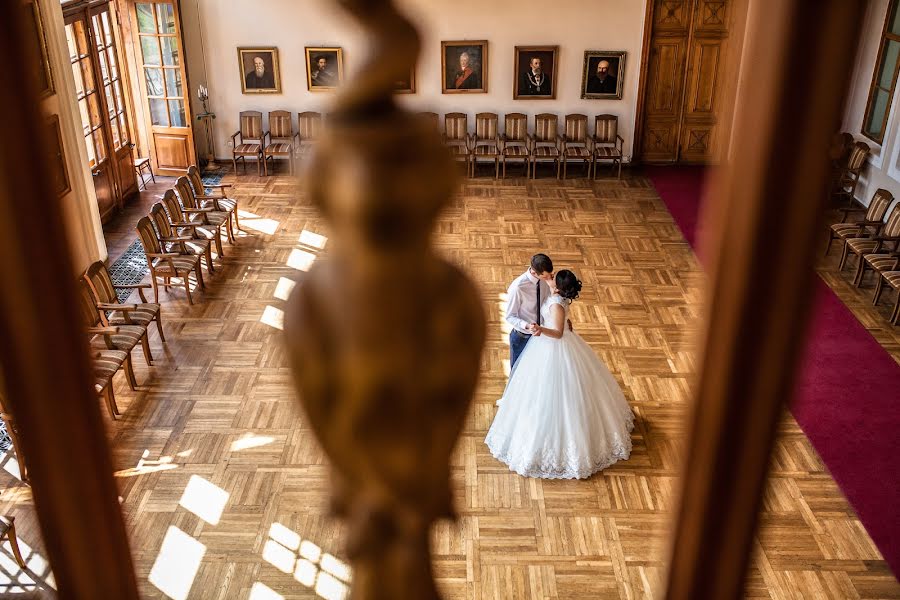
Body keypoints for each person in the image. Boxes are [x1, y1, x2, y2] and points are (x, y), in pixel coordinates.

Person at [486, 270, 634, 479]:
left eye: (554, 277)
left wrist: (540, 329)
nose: (551, 277)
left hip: (552, 344)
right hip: (547, 345)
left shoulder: (556, 303)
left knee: (555, 393)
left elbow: (557, 333)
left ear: (558, 285)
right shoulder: (558, 296)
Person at [505, 253, 554, 371]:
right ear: (534, 273)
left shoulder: (546, 279)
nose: (550, 279)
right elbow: (510, 316)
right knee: (518, 373)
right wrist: (528, 326)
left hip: (543, 335)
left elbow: (548, 302)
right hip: (523, 338)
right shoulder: (518, 288)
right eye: (545, 277)